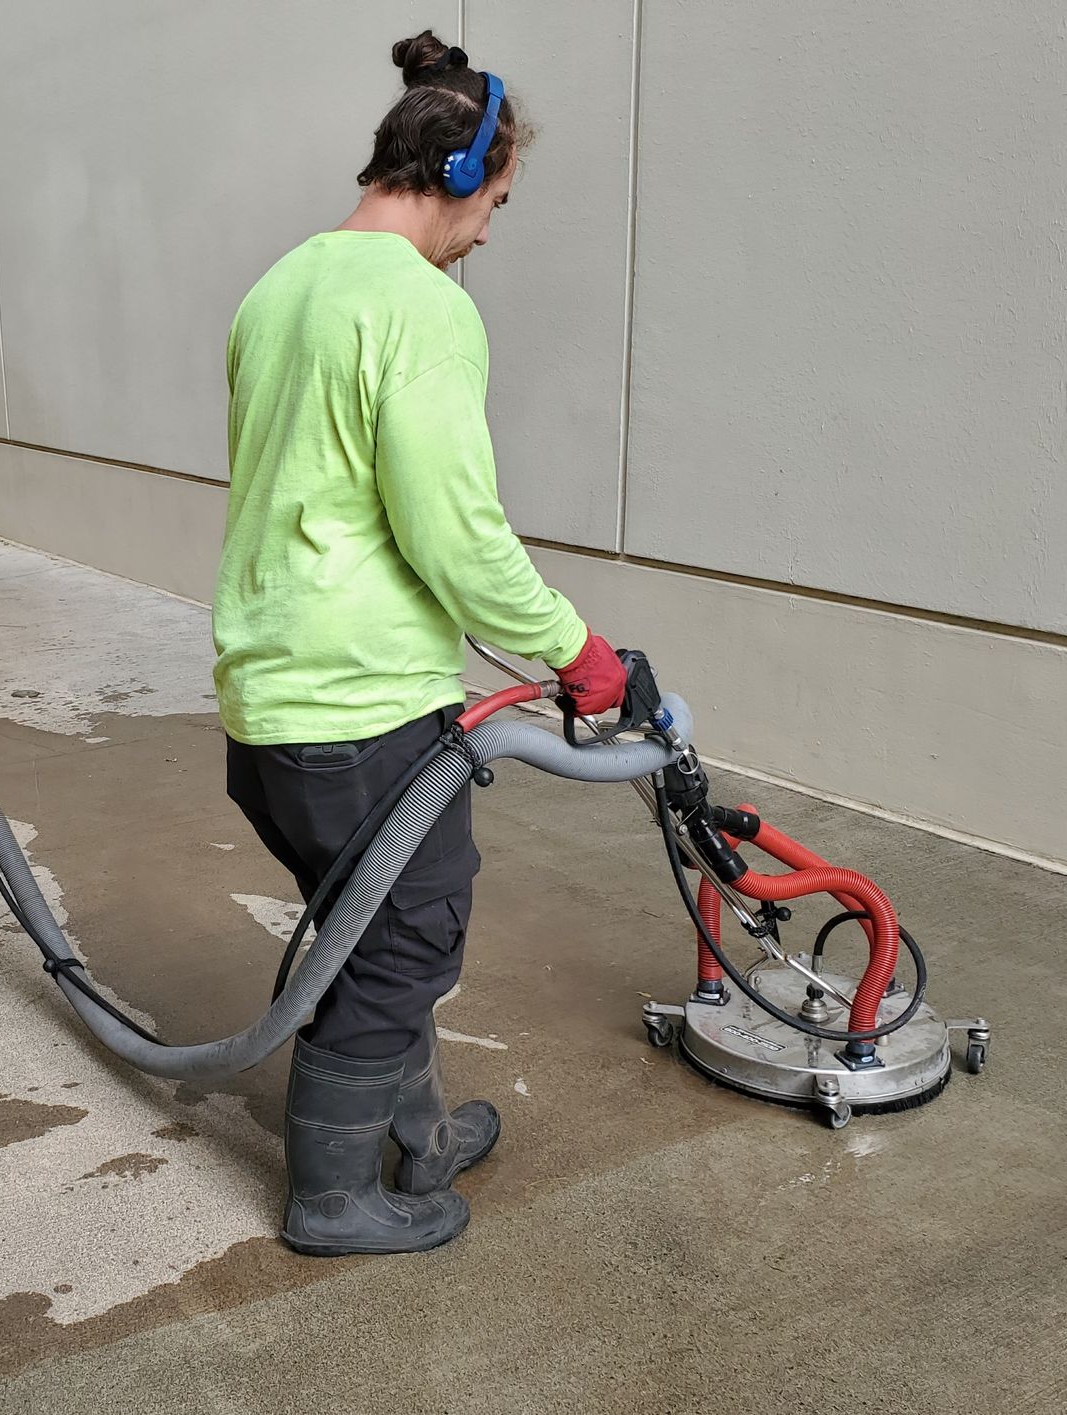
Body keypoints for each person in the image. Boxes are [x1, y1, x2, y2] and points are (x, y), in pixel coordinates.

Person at [215, 32, 630, 1256]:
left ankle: (421, 1135)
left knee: (365, 927)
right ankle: (334, 1194)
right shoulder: (422, 309)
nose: (490, 233)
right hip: (361, 710)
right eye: (496, 203)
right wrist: (578, 652)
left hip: (268, 704)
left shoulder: (279, 285)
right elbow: (458, 536)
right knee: (401, 943)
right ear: (456, 177)